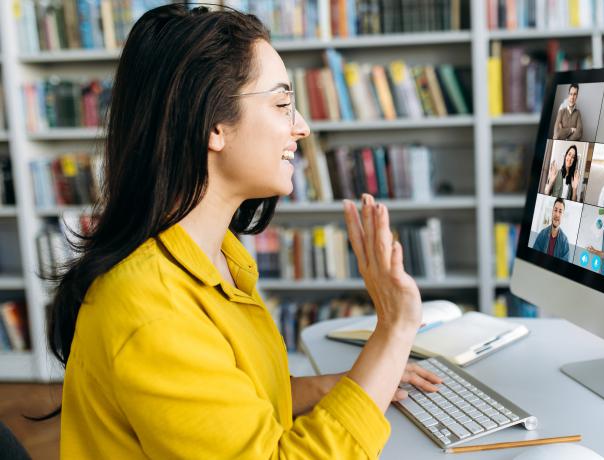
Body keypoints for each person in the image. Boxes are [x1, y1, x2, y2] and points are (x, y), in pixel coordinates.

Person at [47, 5, 440, 458]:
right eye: (281, 104)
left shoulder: (215, 256)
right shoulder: (152, 310)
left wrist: (354, 383)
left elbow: (235, 403)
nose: (302, 127)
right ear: (213, 124)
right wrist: (394, 329)